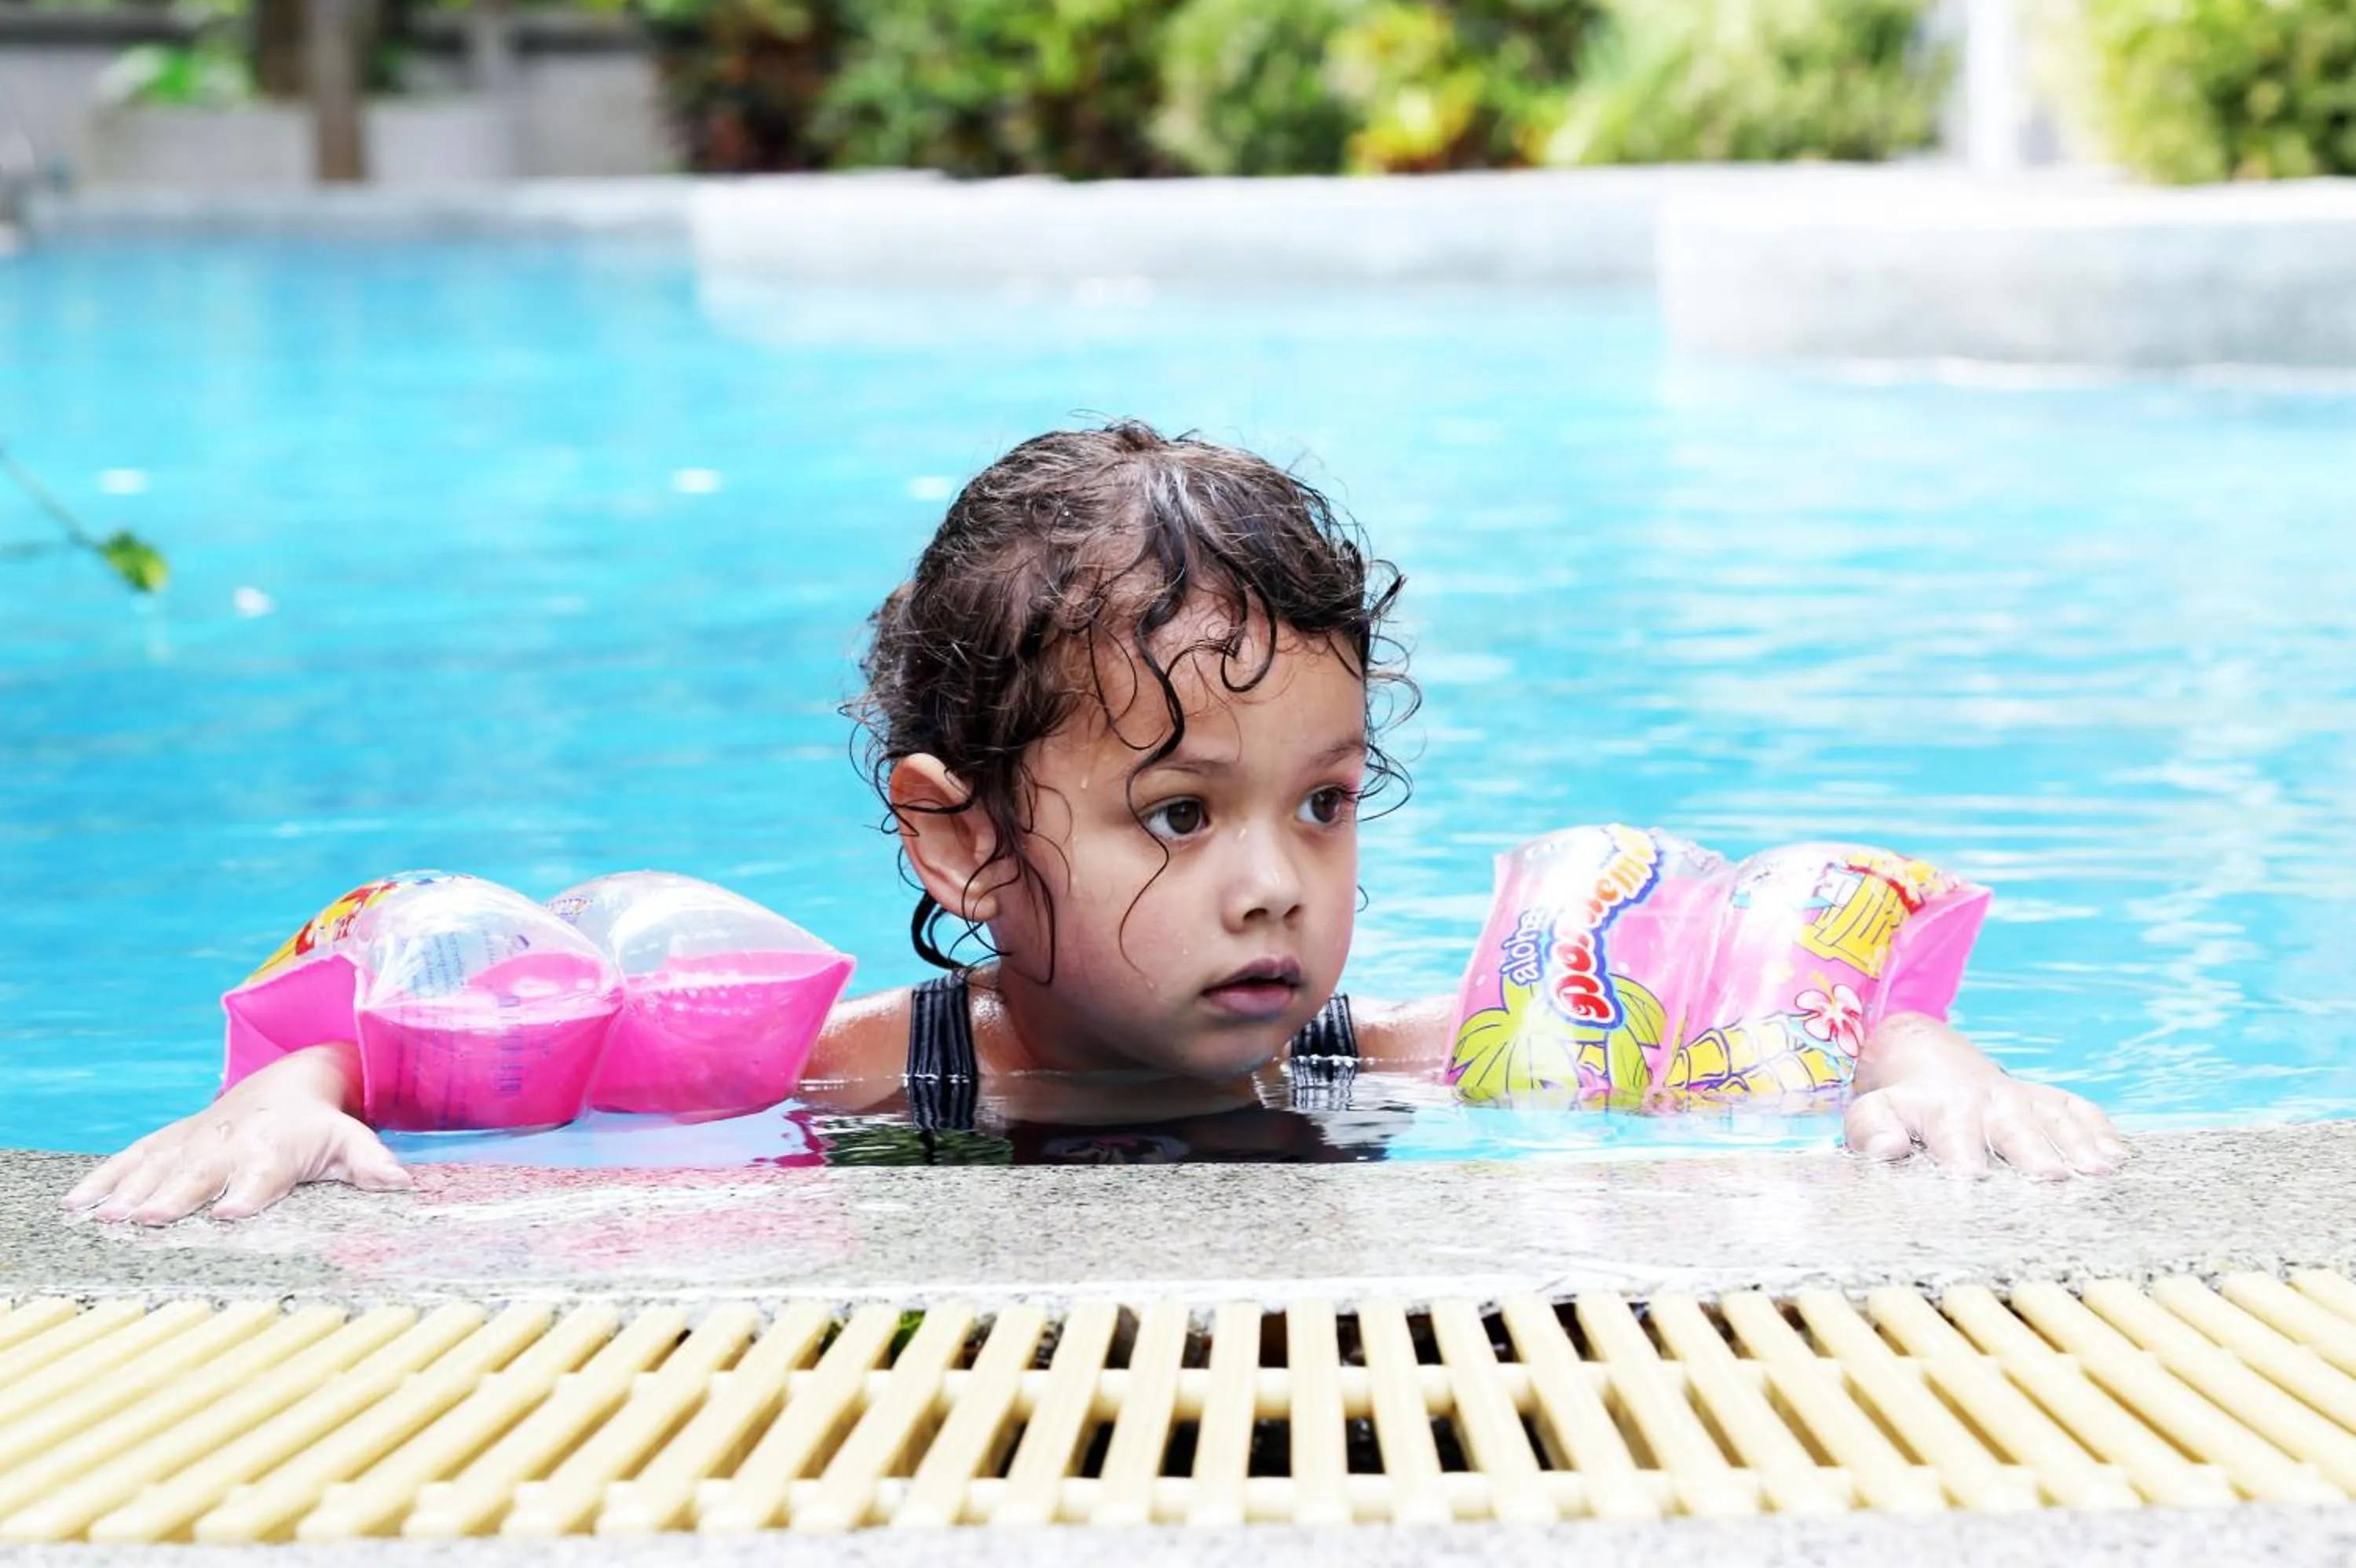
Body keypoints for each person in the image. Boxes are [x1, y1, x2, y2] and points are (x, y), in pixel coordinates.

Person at [64, 422, 2126, 1225]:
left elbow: (1708, 1025)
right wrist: (289, 1095)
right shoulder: (871, 1074)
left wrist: (1930, 1059)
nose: (1274, 882)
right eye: (1175, 813)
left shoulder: (1371, 1047)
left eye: (1320, 806)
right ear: (959, 843)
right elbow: (486, 1050)